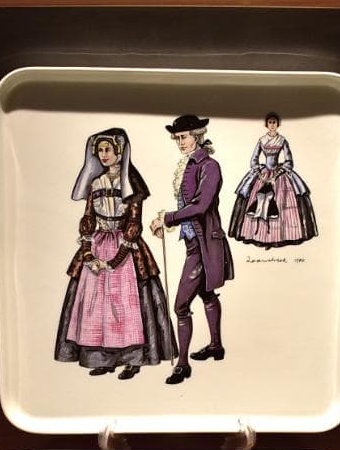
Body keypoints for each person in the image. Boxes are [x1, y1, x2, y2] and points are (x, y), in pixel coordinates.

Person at [55, 128, 174, 380]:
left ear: (120, 152)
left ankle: (132, 360)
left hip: (125, 248)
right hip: (98, 244)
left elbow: (134, 223)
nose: (103, 154)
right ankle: (103, 359)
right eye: (100, 150)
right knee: (94, 306)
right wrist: (88, 255)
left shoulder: (131, 183)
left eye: (108, 149)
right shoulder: (96, 183)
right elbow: (88, 218)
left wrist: (113, 261)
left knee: (126, 306)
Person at [150, 114, 235, 385]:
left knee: (180, 306)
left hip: (204, 244)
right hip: (194, 241)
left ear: (197, 135)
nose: (180, 142)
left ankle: (183, 365)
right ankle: (216, 346)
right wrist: (168, 222)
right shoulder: (189, 164)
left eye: (184, 137)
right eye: (176, 138)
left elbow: (199, 206)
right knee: (207, 294)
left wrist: (166, 218)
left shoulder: (210, 166)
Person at [228, 112, 318, 249]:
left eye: (274, 122)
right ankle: (258, 236)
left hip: (279, 174)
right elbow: (254, 160)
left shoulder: (282, 140)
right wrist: (260, 175)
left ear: (278, 124)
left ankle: (281, 237)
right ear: (266, 124)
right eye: (270, 122)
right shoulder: (262, 140)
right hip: (263, 174)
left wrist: (276, 176)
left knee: (283, 202)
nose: (272, 125)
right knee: (256, 199)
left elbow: (289, 161)